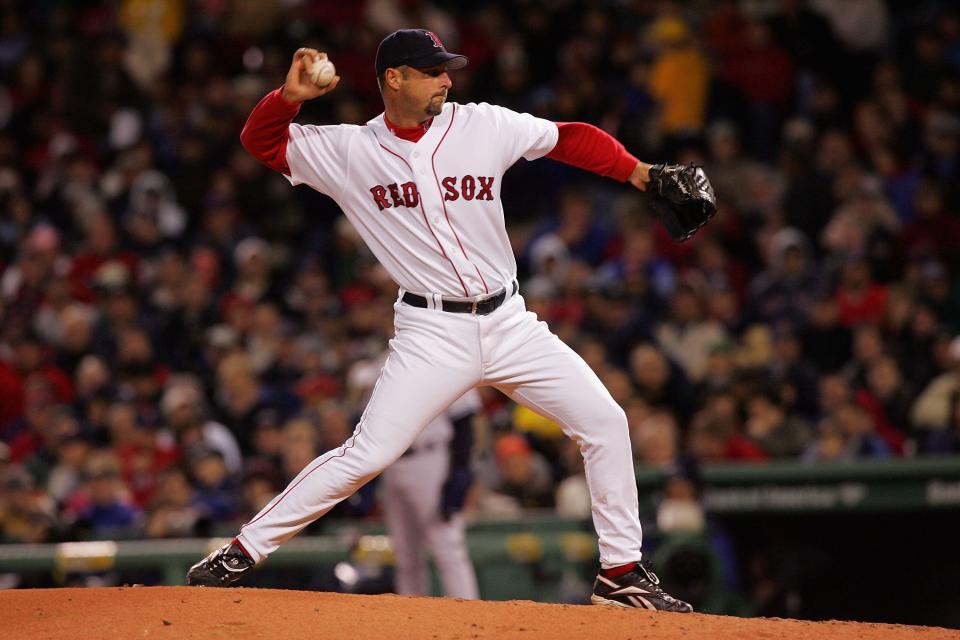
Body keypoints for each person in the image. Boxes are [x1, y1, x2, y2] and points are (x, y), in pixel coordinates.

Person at [186, 28, 692, 612]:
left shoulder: (481, 124)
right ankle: (242, 551)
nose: (447, 79)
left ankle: (621, 573)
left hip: (510, 322)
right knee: (367, 455)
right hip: (432, 332)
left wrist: (642, 173)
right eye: (432, 71)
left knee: (605, 421)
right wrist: (288, 98)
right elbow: (262, 141)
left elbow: (567, 139)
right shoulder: (349, 150)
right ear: (393, 80)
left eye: (446, 68)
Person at [380, 391, 481, 599]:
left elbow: (464, 421)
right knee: (405, 552)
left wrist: (460, 470)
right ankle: (412, 618)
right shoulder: (383, 364)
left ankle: (469, 613)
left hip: (430, 458)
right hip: (391, 461)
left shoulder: (450, 360)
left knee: (447, 546)